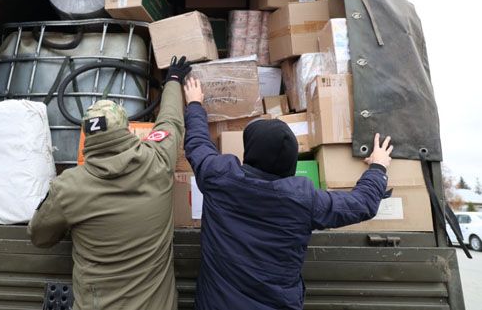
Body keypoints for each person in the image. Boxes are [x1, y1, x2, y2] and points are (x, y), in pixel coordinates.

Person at [182, 78, 392, 310]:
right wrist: (378, 167)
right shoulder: (304, 201)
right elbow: (362, 204)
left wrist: (194, 104)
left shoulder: (219, 177)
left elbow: (198, 143)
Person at [28, 56, 191, 310]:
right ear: (128, 129)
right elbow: (171, 122)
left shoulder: (68, 187)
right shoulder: (158, 159)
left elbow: (40, 237)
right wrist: (173, 80)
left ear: (86, 137)